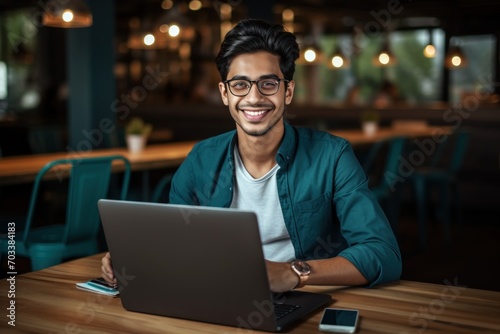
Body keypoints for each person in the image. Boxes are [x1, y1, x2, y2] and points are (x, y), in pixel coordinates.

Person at [102, 18, 401, 292]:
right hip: (219, 294)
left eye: (268, 84)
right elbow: (176, 241)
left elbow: (382, 252)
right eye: (240, 85)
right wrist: (134, 255)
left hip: (302, 297)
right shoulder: (200, 160)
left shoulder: (332, 156)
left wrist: (294, 273)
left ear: (288, 91)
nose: (254, 97)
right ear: (224, 93)